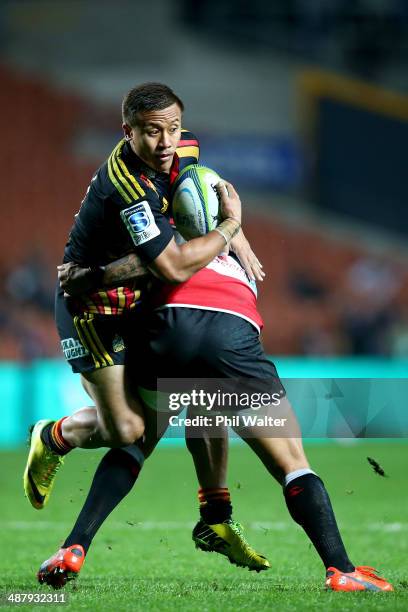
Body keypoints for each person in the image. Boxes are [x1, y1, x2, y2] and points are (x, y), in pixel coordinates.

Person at [37, 244, 393, 593]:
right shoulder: (241, 261)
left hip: (164, 329)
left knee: (138, 440)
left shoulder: (171, 246)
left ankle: (73, 546)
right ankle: (340, 569)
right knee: (293, 464)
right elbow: (203, 415)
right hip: (230, 329)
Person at [24, 82, 267, 572]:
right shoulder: (127, 185)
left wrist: (235, 233)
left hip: (140, 303)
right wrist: (228, 231)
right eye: (152, 133)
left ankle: (215, 514)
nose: (166, 144)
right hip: (93, 308)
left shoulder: (182, 147)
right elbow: (173, 267)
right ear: (127, 131)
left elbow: (200, 189)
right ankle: (54, 437)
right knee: (129, 427)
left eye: (173, 129)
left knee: (199, 390)